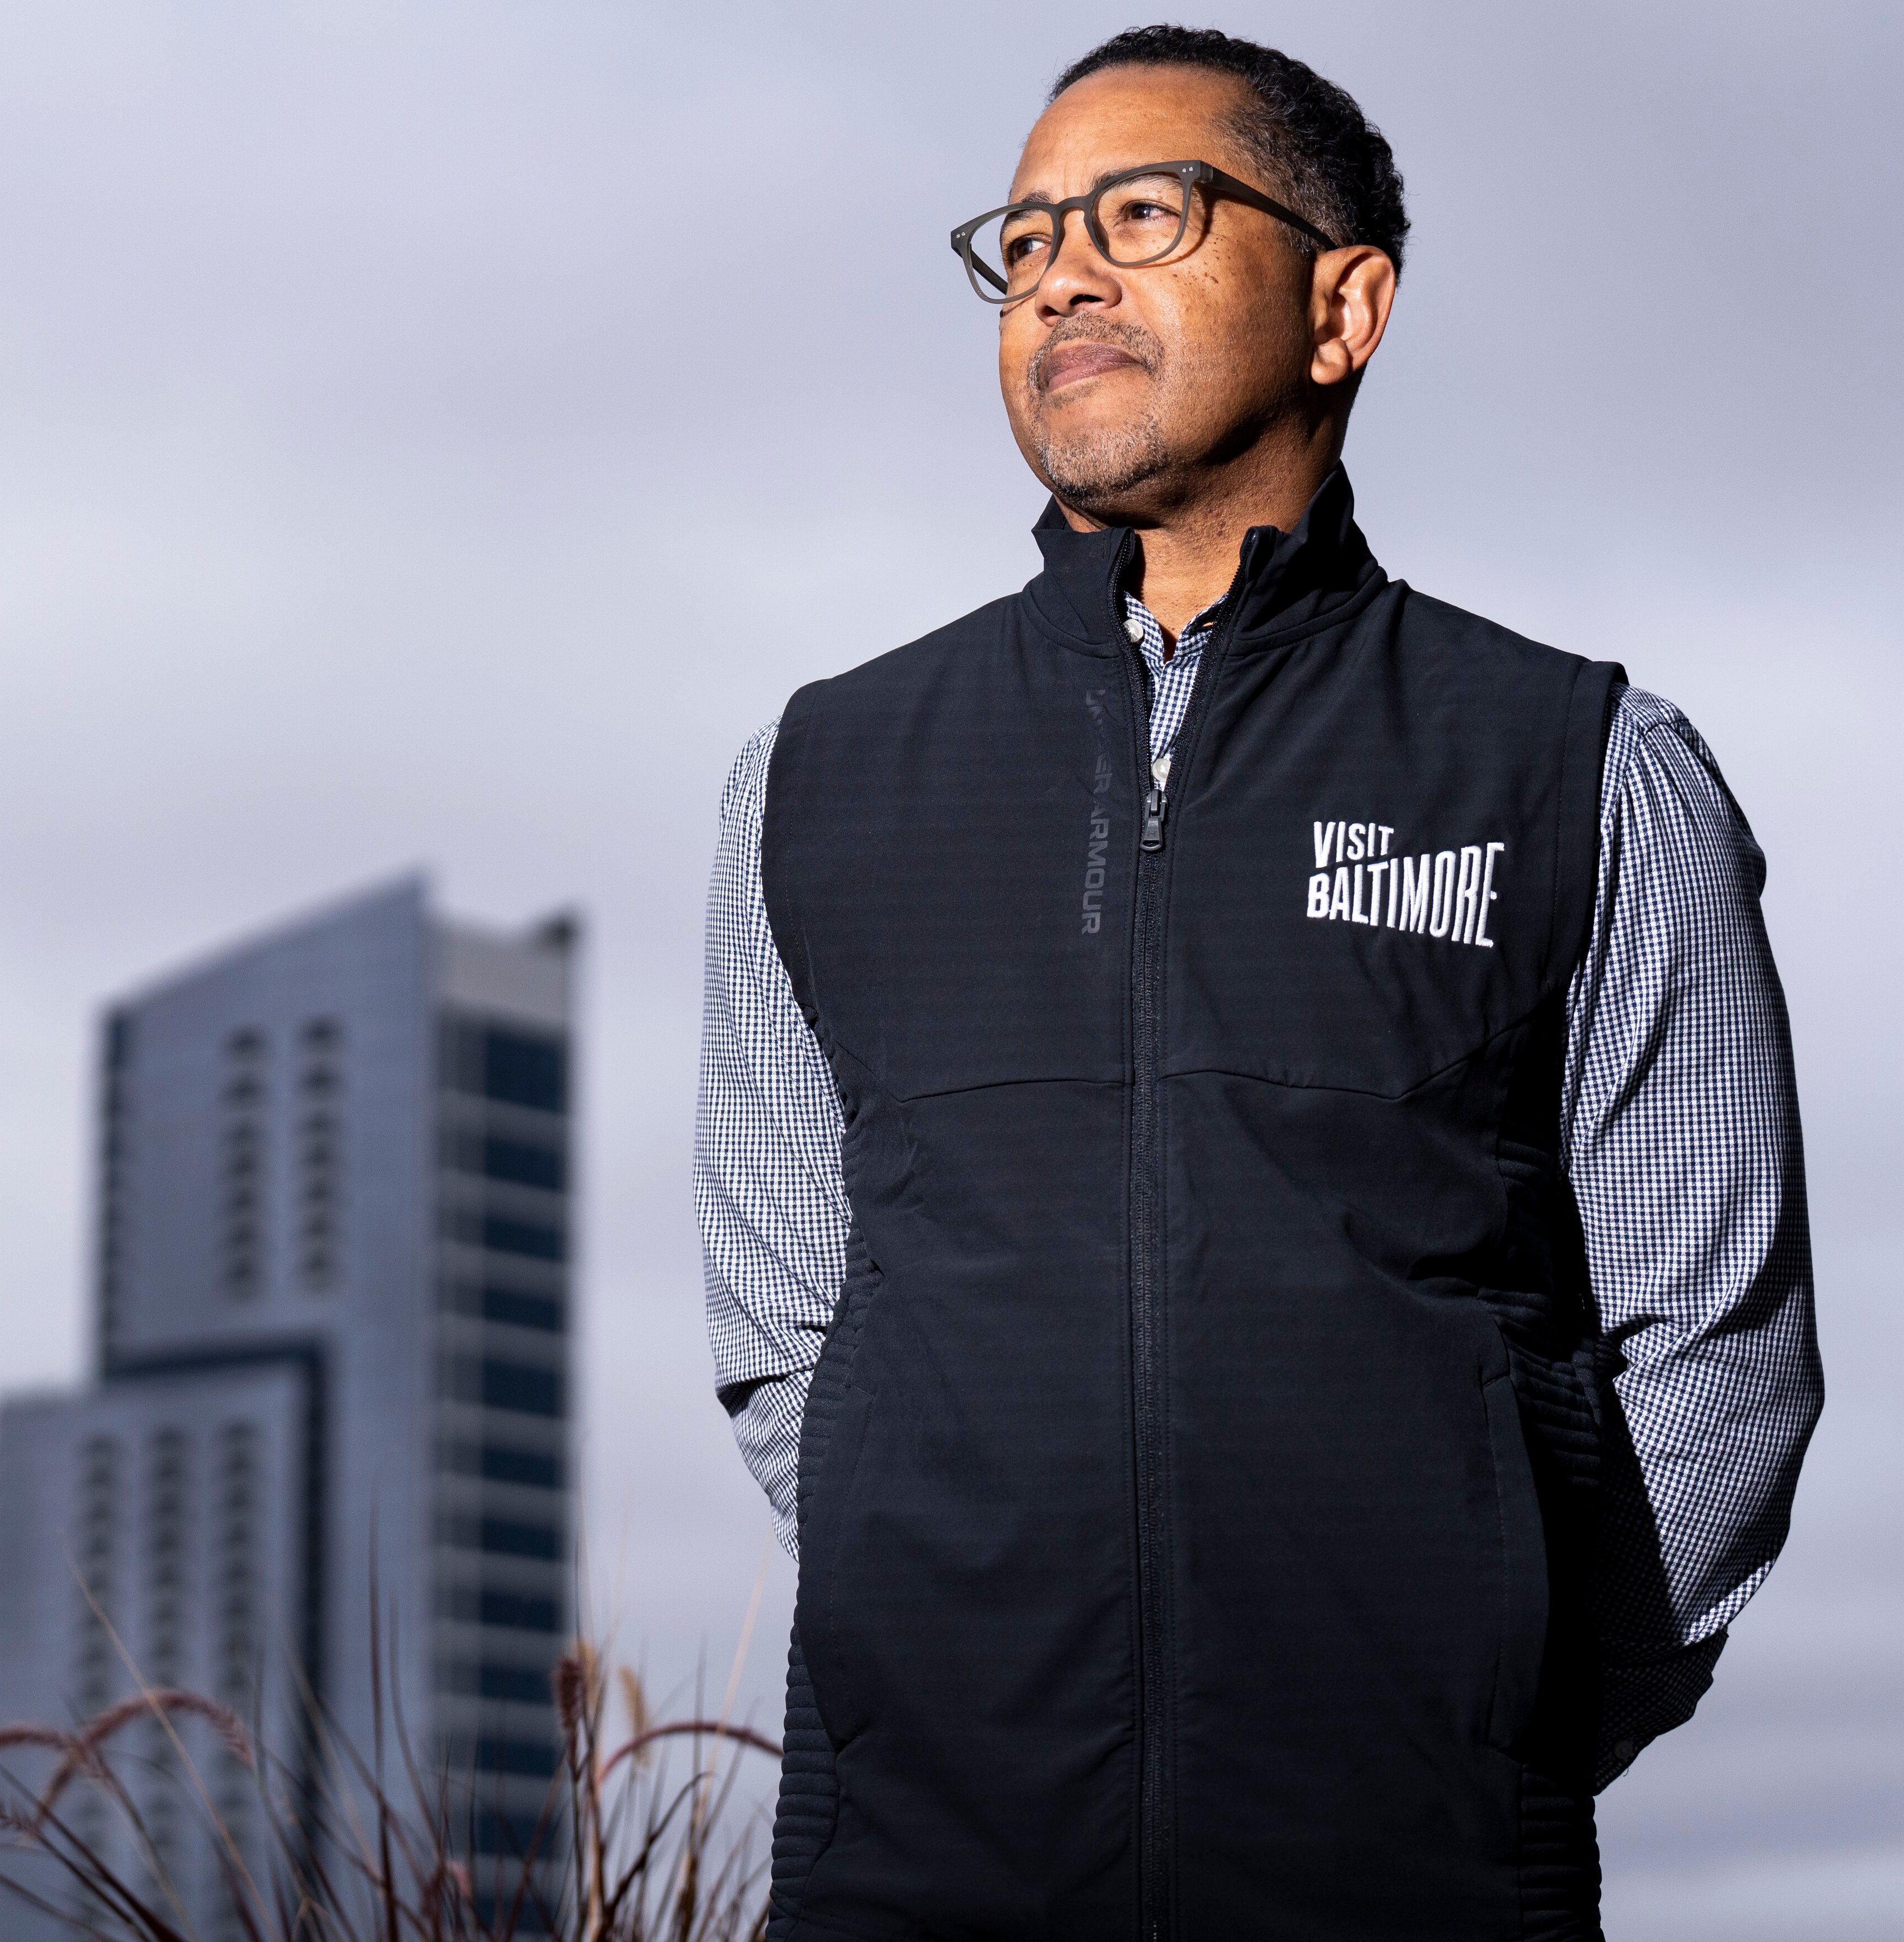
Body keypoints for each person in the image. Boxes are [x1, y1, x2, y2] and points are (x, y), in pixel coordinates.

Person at [694, 25, 1820, 1940]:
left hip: (1415, 1877)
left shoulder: (1583, 767)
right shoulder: (813, 779)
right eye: (1025, 238)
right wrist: (957, 1669)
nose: (1061, 275)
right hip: (921, 1879)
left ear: (1342, 307)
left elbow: (1714, 1348)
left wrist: (1491, 1717)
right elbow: (788, 1334)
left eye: (1143, 214)